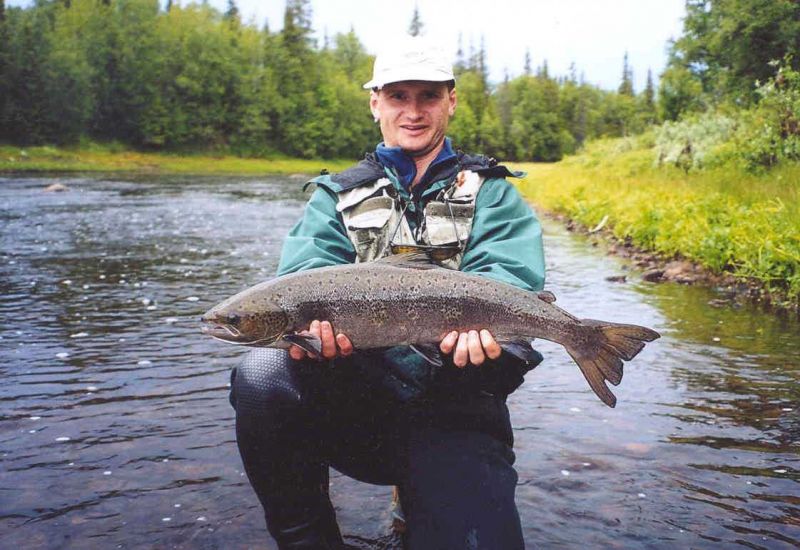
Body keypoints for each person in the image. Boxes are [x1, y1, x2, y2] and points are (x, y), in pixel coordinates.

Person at [229, 37, 546, 549]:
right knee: (263, 373)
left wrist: (484, 331)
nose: (413, 112)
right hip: (358, 409)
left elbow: (510, 278)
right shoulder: (335, 196)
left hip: (459, 410)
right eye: (398, 96)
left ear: (451, 101)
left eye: (428, 96)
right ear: (375, 103)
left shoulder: (492, 193)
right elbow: (305, 276)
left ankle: (423, 498)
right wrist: (316, 333)